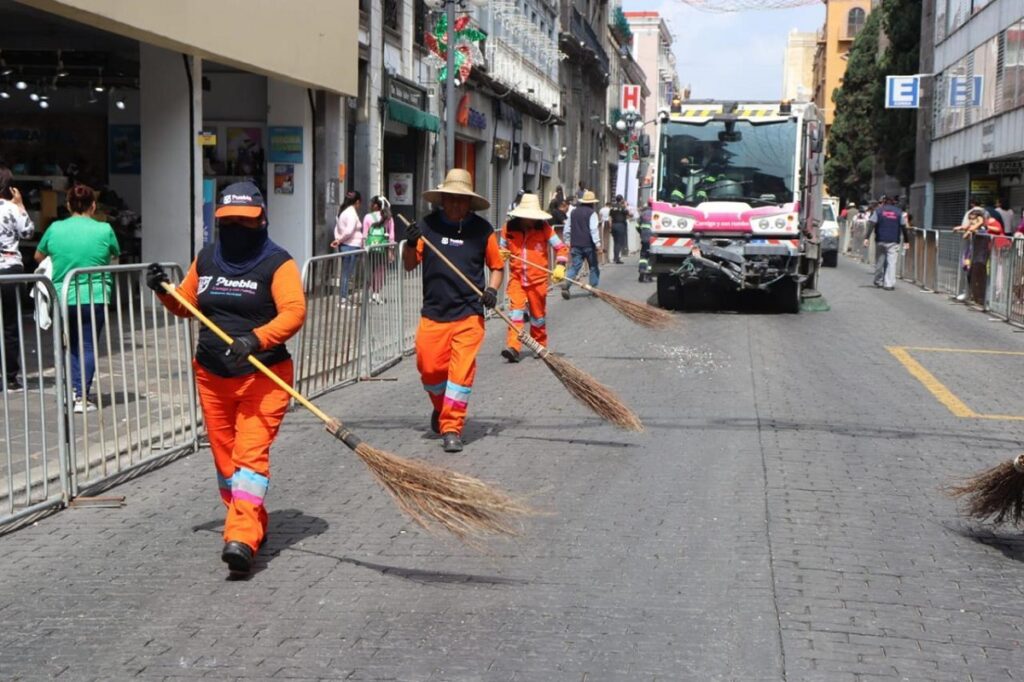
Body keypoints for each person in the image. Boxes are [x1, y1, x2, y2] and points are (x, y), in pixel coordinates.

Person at [145, 181, 306, 575]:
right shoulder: (208, 259)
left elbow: (294, 311)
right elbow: (188, 304)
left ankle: (240, 539)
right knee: (226, 464)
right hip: (212, 376)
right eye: (229, 220)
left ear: (261, 220)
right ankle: (253, 522)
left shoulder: (277, 263)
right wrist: (164, 292)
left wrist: (255, 338)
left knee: (250, 456)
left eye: (244, 221)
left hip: (264, 376)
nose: (236, 226)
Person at [402, 169, 504, 453]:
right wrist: (410, 243)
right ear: (442, 200)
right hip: (433, 314)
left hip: (469, 315)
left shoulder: (482, 231)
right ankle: (441, 407)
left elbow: (497, 267)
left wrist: (492, 291)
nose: (456, 205)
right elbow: (409, 264)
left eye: (461, 200)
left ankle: (451, 428)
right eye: (451, 199)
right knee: (430, 369)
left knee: (460, 375)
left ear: (469, 203)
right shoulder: (428, 226)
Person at [35, 184, 119, 412]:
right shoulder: (104, 229)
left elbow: (38, 255)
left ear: (68, 205)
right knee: (89, 346)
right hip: (96, 295)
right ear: (93, 206)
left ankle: (72, 391)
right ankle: (82, 396)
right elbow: (114, 253)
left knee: (70, 345)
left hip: (63, 296)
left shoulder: (55, 228)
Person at [497, 193, 567, 363]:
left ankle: (539, 345)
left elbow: (561, 248)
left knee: (538, 317)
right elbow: (500, 251)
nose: (530, 220)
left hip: (538, 281)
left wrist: (560, 266)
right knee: (516, 314)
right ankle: (513, 347)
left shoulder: (544, 228)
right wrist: (501, 255)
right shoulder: (509, 228)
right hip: (517, 279)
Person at [0, 165, 35, 392]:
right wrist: (20, 204)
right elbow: (28, 232)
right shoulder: (12, 208)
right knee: (10, 325)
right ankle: (10, 377)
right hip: (9, 269)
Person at [862, 194, 911, 291]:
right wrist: (906, 240)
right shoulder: (898, 212)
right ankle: (888, 284)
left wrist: (866, 238)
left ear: (883, 201)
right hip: (893, 241)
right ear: (894, 202)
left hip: (880, 239)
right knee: (891, 263)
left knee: (880, 261)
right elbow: (903, 227)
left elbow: (871, 224)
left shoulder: (878, 211)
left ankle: (878, 280)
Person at [561, 190, 603, 299]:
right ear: (592, 203)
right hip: (588, 245)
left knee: (575, 266)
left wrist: (567, 241)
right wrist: (598, 245)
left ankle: (567, 283)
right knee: (593, 266)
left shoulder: (573, 213)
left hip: (575, 244)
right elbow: (594, 230)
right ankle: (593, 288)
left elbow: (566, 229)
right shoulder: (592, 213)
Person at [362, 195, 395, 303]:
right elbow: (391, 236)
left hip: (370, 249)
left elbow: (365, 235)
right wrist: (391, 250)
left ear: (374, 205)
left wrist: (363, 248)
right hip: (383, 249)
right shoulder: (388, 217)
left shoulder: (367, 217)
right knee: (380, 271)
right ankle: (376, 294)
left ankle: (366, 295)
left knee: (369, 271)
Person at [331, 190, 362, 305]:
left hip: (347, 245)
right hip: (350, 246)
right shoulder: (351, 212)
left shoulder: (343, 211)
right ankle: (343, 298)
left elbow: (337, 228)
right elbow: (349, 230)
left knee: (346, 272)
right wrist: (339, 240)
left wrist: (338, 239)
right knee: (347, 273)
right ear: (357, 202)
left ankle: (344, 297)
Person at [636, 199, 654, 283]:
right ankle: (648, 275)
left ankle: (642, 271)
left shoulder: (643, 213)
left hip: (644, 236)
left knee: (643, 256)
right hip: (654, 237)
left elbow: (637, 225)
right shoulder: (657, 213)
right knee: (652, 256)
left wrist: (641, 233)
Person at [609, 195, 630, 264]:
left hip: (614, 225)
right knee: (619, 242)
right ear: (621, 200)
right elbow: (629, 214)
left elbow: (610, 217)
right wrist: (626, 206)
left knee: (615, 242)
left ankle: (615, 257)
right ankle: (617, 258)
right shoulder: (622, 207)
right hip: (620, 225)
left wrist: (610, 227)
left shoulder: (612, 207)